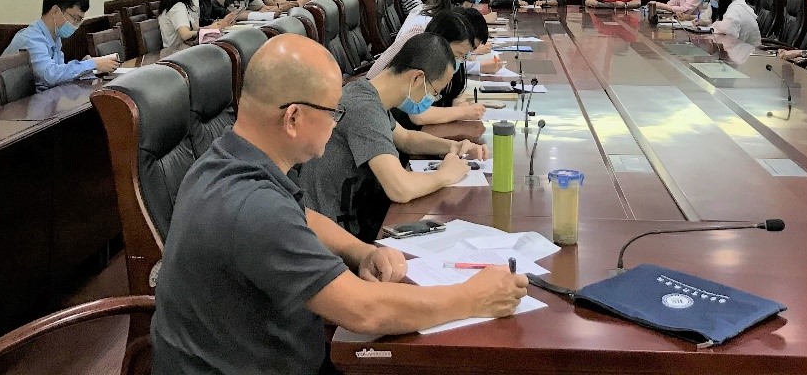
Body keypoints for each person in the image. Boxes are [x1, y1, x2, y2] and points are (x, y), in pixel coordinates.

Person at [150, 34, 526, 375]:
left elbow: (302, 216)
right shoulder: (254, 207)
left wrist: (361, 252)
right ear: (293, 117)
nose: (336, 124)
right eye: (333, 112)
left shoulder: (224, 159)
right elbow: (365, 311)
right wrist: (472, 297)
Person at [298, 33, 489, 241]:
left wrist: (454, 146)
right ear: (417, 78)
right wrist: (445, 175)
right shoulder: (364, 108)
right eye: (435, 92)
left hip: (356, 221)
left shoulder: (367, 93)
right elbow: (400, 188)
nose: (432, 99)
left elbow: (406, 139)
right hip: (336, 236)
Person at [4, 0, 117, 91]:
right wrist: (92, 64)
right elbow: (51, 76)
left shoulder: (55, 37)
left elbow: (59, 75)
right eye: (75, 18)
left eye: (79, 21)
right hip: (20, 103)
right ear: (55, 11)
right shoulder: (31, 39)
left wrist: (84, 66)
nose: (76, 25)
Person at [697, 0, 761, 45]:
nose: (710, 0)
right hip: (740, 46)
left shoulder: (735, 10)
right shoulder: (731, 4)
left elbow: (726, 33)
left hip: (748, 48)